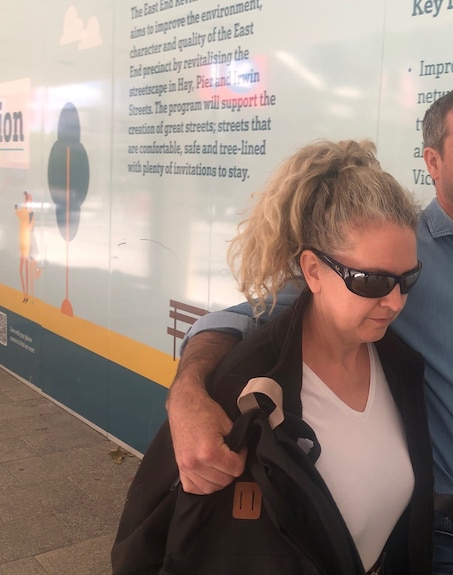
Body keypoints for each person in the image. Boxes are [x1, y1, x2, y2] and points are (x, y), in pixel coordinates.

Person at [167, 88, 453, 575]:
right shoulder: (393, 254)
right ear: (432, 161)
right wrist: (187, 394)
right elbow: (248, 317)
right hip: (424, 528)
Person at [121, 139, 433, 573]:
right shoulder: (246, 390)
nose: (396, 303)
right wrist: (187, 391)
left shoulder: (399, 367)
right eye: (372, 281)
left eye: (408, 279)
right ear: (312, 270)